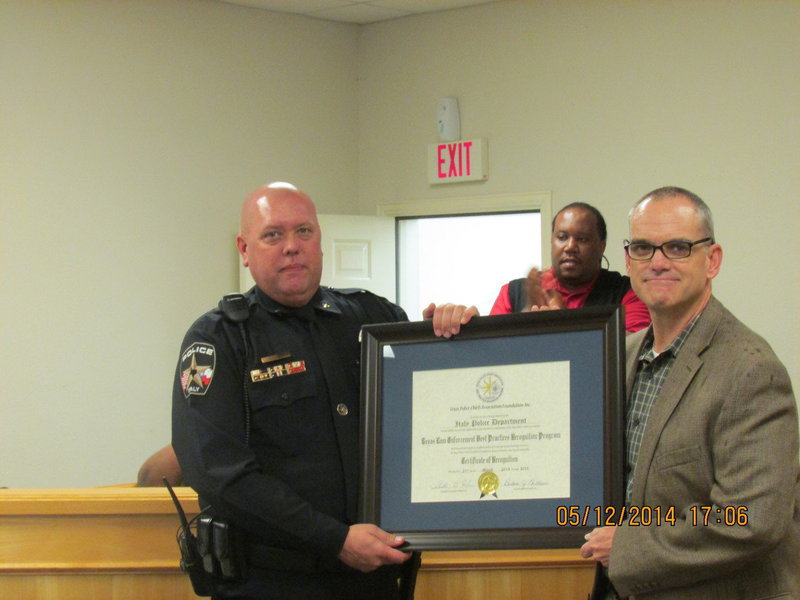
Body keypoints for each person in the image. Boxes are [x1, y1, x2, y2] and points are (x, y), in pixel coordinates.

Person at [172, 182, 467, 600]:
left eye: (304, 231)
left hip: (375, 581)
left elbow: (434, 414)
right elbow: (219, 474)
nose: (292, 246)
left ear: (320, 239)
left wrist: (455, 337)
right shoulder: (220, 339)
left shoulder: (373, 317)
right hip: (272, 582)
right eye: (273, 234)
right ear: (244, 248)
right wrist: (335, 539)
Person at [580, 187, 799, 599]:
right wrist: (460, 337)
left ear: (712, 260)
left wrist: (628, 547)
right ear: (628, 261)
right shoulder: (618, 356)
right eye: (643, 248)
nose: (658, 262)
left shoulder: (751, 371)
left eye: (678, 247)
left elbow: (752, 520)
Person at [490, 202, 650, 333]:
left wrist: (564, 322)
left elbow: (631, 352)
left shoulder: (629, 292)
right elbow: (493, 353)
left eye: (582, 239)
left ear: (601, 247)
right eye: (562, 237)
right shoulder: (512, 293)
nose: (570, 247)